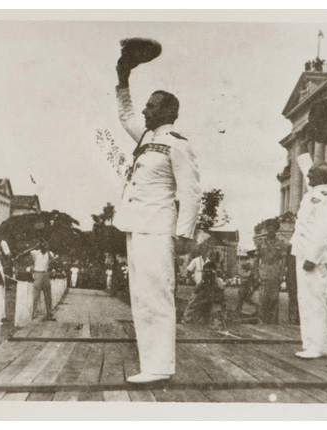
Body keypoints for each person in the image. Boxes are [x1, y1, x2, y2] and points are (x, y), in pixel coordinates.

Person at [114, 53, 201, 383]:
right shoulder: (147, 137)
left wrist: (185, 235)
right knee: (140, 298)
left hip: (158, 230)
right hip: (136, 227)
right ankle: (151, 363)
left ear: (167, 112)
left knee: (157, 297)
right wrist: (123, 80)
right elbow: (124, 115)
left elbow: (191, 192)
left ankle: (160, 366)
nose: (144, 111)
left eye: (151, 107)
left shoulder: (177, 144)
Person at [290, 140, 327, 359]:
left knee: (315, 301)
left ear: (320, 176)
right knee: (306, 300)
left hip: (312, 258)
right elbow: (303, 162)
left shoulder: (324, 197)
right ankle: (312, 344)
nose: (307, 176)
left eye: (311, 174)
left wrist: (313, 256)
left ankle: (316, 346)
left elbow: (324, 231)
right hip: (303, 254)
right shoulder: (313, 194)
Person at [256, 219, 287, 324]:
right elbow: (256, 259)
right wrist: (255, 273)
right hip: (263, 272)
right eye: (269, 228)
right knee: (263, 299)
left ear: (276, 230)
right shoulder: (261, 243)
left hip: (275, 273)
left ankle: (273, 323)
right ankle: (261, 322)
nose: (270, 231)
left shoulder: (281, 243)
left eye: (273, 229)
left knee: (274, 299)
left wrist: (282, 274)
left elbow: (283, 260)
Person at [182, 244, 211, 323]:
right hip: (198, 285)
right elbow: (189, 271)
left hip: (206, 285)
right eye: (203, 250)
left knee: (204, 302)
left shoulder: (209, 261)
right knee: (193, 301)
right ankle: (186, 318)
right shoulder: (195, 260)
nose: (205, 252)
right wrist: (192, 280)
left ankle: (199, 319)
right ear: (201, 251)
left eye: (207, 250)